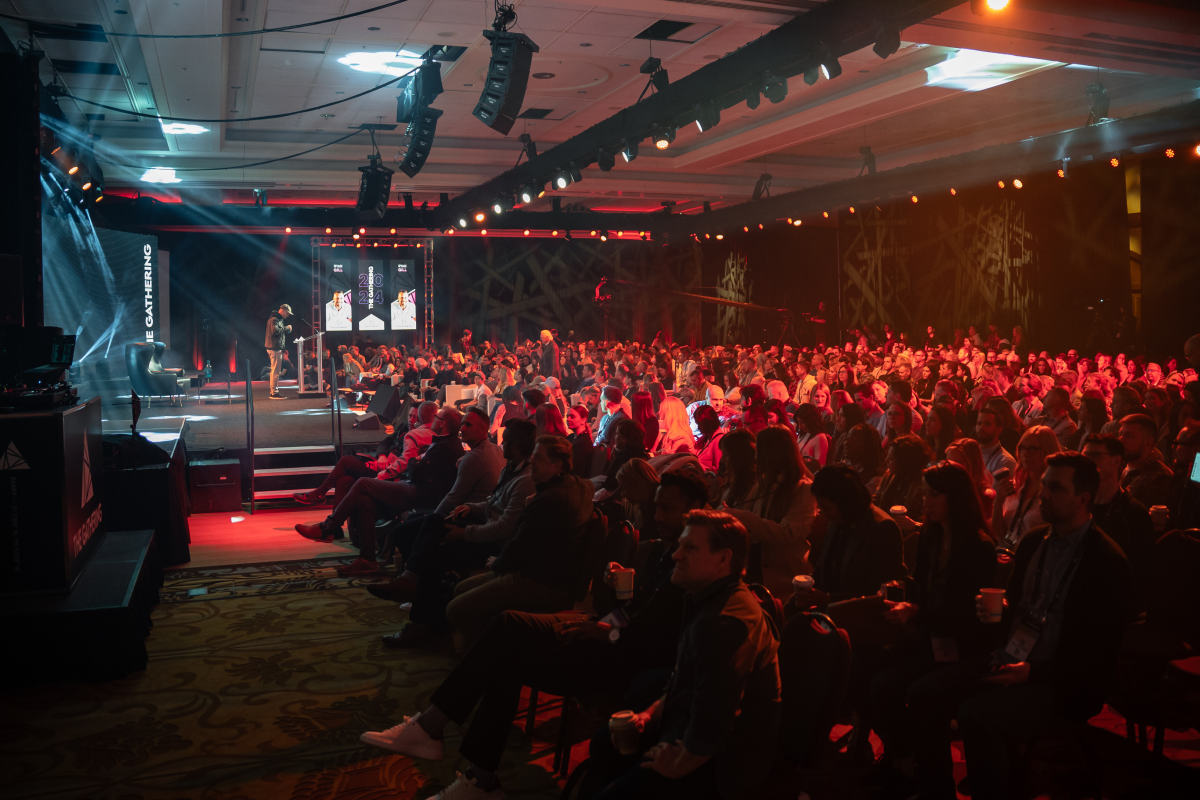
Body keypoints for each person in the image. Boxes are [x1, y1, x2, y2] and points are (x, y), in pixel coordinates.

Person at [358, 472, 710, 800]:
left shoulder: (696, 565)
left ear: (695, 508)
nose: (657, 515)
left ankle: (449, 745)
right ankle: (464, 761)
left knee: (507, 639)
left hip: (619, 658)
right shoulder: (669, 550)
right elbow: (634, 612)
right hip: (605, 631)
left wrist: (609, 632)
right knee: (506, 635)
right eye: (657, 507)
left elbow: (663, 643)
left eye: (667, 508)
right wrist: (611, 602)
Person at [905, 454, 1130, 800]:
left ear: (1083, 499)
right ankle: (936, 793)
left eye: (1056, 488)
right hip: (1011, 656)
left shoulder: (1106, 562)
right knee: (924, 694)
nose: (1044, 494)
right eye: (1044, 485)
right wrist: (996, 613)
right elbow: (1015, 604)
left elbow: (1096, 653)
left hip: (1062, 681)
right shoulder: (1034, 541)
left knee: (976, 715)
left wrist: (1033, 672)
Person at [585, 510, 781, 800]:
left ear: (723, 558)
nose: (676, 555)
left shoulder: (724, 622)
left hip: (722, 762)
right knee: (604, 744)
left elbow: (714, 720)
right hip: (689, 729)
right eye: (679, 546)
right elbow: (685, 681)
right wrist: (648, 716)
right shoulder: (708, 599)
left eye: (690, 548)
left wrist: (678, 765)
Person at [868, 462, 996, 795]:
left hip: (960, 643)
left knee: (905, 689)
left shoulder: (978, 547)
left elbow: (965, 615)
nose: (925, 501)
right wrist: (898, 589)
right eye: (925, 493)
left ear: (956, 497)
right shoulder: (931, 533)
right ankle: (904, 759)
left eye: (934, 494)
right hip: (929, 634)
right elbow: (921, 581)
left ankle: (927, 778)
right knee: (866, 668)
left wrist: (917, 612)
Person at [369, 418, 536, 646]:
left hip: (497, 544)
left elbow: (505, 527)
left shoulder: (524, 480)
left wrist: (464, 533)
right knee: (429, 524)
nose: (501, 444)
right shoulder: (511, 467)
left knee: (433, 552)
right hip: (485, 528)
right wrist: (471, 508)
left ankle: (421, 618)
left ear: (515, 446)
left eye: (505, 441)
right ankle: (412, 585)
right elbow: (492, 502)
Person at [445, 435, 593, 645]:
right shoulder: (581, 486)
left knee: (455, 610)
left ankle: (498, 651)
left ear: (557, 465)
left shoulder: (548, 499)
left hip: (539, 580)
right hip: (552, 572)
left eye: (538, 458)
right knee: (461, 589)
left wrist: (497, 563)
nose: (531, 461)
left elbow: (520, 546)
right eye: (533, 456)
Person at [295, 407, 471, 571]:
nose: (432, 419)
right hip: (413, 485)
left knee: (362, 482)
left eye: (437, 417)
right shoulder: (439, 441)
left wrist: (413, 460)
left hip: (419, 492)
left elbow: (415, 470)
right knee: (362, 499)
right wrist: (398, 458)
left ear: (442, 423)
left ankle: (327, 526)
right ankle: (367, 559)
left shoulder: (447, 446)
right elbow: (397, 450)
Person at [724, 426, 816, 598]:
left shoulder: (803, 489)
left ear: (773, 454)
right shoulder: (763, 483)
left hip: (784, 578)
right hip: (755, 567)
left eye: (760, 452)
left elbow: (787, 533)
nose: (756, 458)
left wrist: (742, 516)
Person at [800, 465, 906, 607]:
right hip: (830, 610)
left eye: (827, 508)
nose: (823, 514)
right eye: (820, 508)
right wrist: (806, 588)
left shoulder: (883, 528)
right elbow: (824, 567)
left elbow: (877, 590)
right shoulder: (838, 520)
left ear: (846, 502)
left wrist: (829, 599)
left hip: (861, 614)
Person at [1082, 433, 1155, 612]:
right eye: (1085, 455)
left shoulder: (1134, 514)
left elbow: (1139, 574)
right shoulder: (1076, 506)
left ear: (1117, 461)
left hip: (1110, 606)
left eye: (1095, 455)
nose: (1087, 461)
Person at [992, 424, 1059, 549]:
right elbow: (999, 534)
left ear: (1048, 451)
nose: (1026, 454)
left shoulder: (1055, 492)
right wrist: (998, 503)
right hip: (1007, 553)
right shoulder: (1016, 485)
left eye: (1033, 449)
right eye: (1023, 448)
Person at [1118, 413, 1175, 510]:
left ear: (1148, 442)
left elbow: (1140, 515)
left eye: (1129, 436)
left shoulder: (1160, 476)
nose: (1121, 440)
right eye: (1120, 435)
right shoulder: (1119, 467)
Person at [974, 407, 1017, 481]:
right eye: (979, 423)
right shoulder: (973, 453)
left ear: (998, 430)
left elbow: (998, 488)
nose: (981, 427)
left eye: (987, 424)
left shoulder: (1005, 461)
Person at [264, 303, 293, 399]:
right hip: (274, 348)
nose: (288, 315)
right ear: (283, 310)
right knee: (275, 371)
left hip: (275, 347)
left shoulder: (277, 318)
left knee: (275, 370)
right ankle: (274, 392)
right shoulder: (275, 319)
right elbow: (275, 331)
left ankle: (273, 391)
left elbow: (278, 331)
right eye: (288, 313)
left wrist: (286, 329)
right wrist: (287, 328)